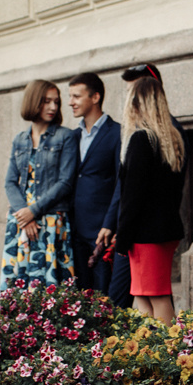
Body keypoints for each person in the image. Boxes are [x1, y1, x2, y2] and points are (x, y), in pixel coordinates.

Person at [113, 64, 186, 323]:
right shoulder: (174, 138)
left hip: (146, 235)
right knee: (142, 295)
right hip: (165, 231)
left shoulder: (141, 139)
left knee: (156, 296)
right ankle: (146, 353)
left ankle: (168, 354)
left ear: (136, 103)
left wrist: (122, 239)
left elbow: (132, 197)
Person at [1, 78, 79, 285]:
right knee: (19, 286)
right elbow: (10, 182)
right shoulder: (20, 140)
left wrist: (32, 211)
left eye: (56, 102)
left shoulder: (65, 137)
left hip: (51, 219)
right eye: (46, 101)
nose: (53, 107)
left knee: (50, 289)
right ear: (34, 102)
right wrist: (24, 216)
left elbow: (65, 182)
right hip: (21, 220)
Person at [65, 72, 130, 306]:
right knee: (79, 296)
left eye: (76, 96)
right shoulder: (72, 136)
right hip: (74, 228)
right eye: (69, 96)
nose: (70, 102)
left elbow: (120, 183)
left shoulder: (117, 133)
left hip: (102, 230)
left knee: (104, 296)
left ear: (95, 97)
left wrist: (110, 223)